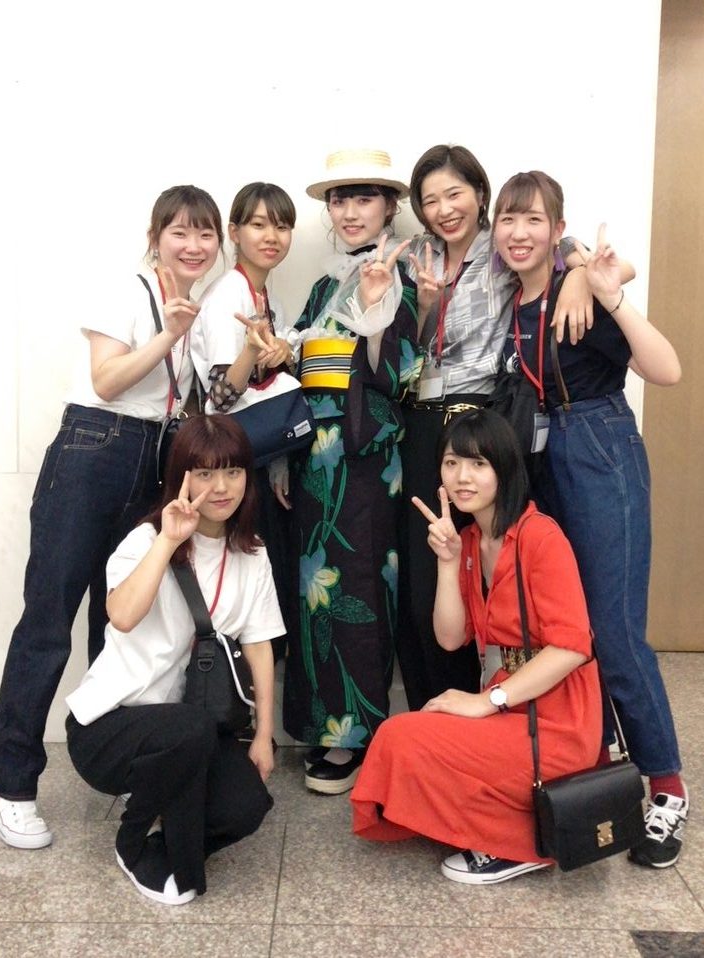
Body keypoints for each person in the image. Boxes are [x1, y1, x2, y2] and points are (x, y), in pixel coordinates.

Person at [0, 185, 223, 850]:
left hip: (153, 458)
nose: (194, 245)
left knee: (120, 622)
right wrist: (169, 334)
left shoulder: (197, 309)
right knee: (48, 622)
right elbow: (107, 380)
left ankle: (110, 761)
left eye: (206, 234)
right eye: (180, 232)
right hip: (93, 449)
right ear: (156, 237)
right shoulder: (125, 289)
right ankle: (10, 780)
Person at [492, 170, 687, 869]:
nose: (519, 233)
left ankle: (666, 787)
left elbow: (666, 370)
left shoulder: (581, 288)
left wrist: (604, 288)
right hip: (540, 461)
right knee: (565, 629)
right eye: (508, 219)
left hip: (600, 449)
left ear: (557, 226)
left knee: (615, 632)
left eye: (534, 220)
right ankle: (597, 771)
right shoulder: (510, 298)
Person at [351, 408, 602, 885]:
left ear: (504, 469)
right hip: (513, 710)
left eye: (478, 464)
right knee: (402, 737)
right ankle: (502, 822)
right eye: (451, 463)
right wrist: (447, 563)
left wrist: (488, 701)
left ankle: (520, 844)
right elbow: (450, 637)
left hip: (556, 723)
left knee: (403, 739)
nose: (462, 477)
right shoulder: (470, 541)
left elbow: (572, 647)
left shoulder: (540, 537)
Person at [397, 144, 595, 711]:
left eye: (454, 194)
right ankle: (428, 717)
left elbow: (573, 250)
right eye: (430, 200)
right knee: (421, 580)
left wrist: (579, 275)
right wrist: (425, 305)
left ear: (480, 194)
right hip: (421, 424)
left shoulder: (503, 247)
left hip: (478, 426)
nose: (444, 209)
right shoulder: (417, 256)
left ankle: (476, 708)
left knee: (477, 574)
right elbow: (405, 345)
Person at [64, 415, 280, 905]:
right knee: (188, 729)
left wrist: (264, 734)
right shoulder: (145, 541)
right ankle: (134, 842)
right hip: (109, 728)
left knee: (248, 805)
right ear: (181, 477)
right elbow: (121, 616)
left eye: (232, 472)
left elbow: (260, 643)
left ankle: (169, 830)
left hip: (190, 732)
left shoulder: (252, 554)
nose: (221, 488)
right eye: (204, 473)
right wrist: (168, 540)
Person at [282, 150, 423, 794]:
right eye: (339, 199)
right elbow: (304, 375)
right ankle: (320, 722)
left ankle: (356, 731)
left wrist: (375, 314)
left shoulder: (403, 276)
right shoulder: (321, 287)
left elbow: (401, 373)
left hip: (363, 456)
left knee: (360, 581)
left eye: (364, 198)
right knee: (316, 584)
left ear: (389, 207)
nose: (349, 211)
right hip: (316, 454)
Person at [190, 182, 297, 656]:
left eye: (282, 226)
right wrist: (254, 351)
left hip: (253, 457)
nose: (271, 236)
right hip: (230, 463)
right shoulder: (228, 294)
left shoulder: (263, 294)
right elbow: (220, 396)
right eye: (258, 224)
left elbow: (266, 384)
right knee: (238, 594)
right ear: (234, 232)